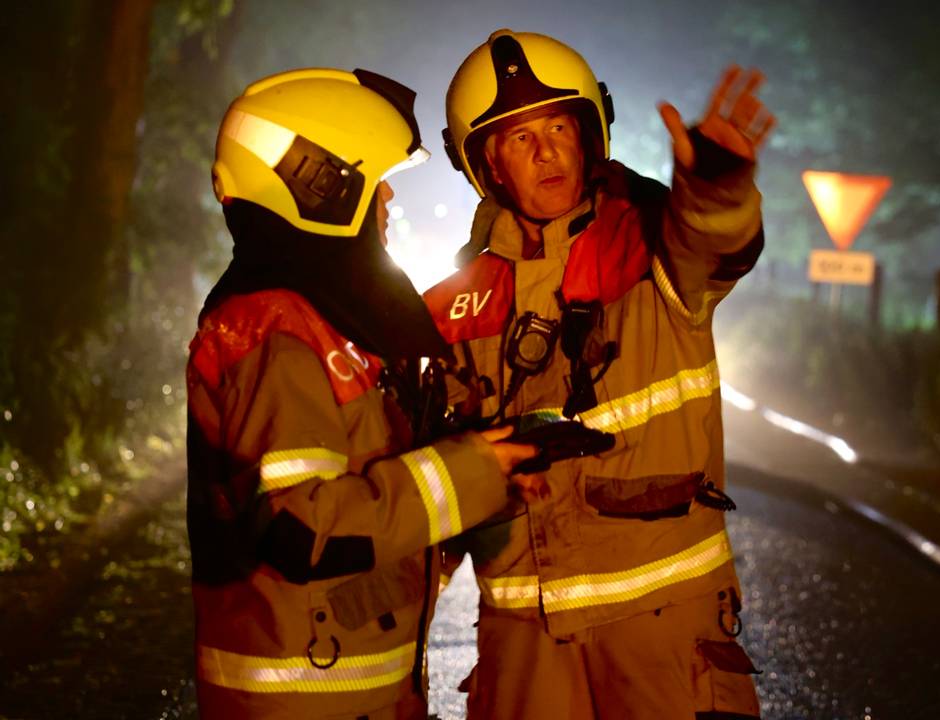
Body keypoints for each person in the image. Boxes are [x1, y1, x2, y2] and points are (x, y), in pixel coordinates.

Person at [425, 29, 774, 718]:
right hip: (526, 643)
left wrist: (714, 185)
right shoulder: (452, 307)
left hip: (659, 633)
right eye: (518, 138)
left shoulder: (651, 243)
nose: (546, 150)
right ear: (488, 164)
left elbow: (713, 237)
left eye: (558, 126)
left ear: (589, 134)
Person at [186, 67, 538, 719]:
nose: (388, 204)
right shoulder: (276, 332)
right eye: (377, 185)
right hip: (304, 702)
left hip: (359, 691)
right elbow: (304, 527)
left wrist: (484, 472)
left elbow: (378, 515)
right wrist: (466, 473)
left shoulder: (325, 322)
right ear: (322, 188)